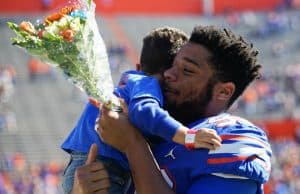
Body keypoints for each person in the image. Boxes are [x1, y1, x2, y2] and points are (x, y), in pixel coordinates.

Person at [72, 25, 272, 194]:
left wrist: (133, 144)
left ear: (223, 91)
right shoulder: (155, 129)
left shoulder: (233, 139)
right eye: (171, 65)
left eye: (187, 70)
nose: (168, 74)